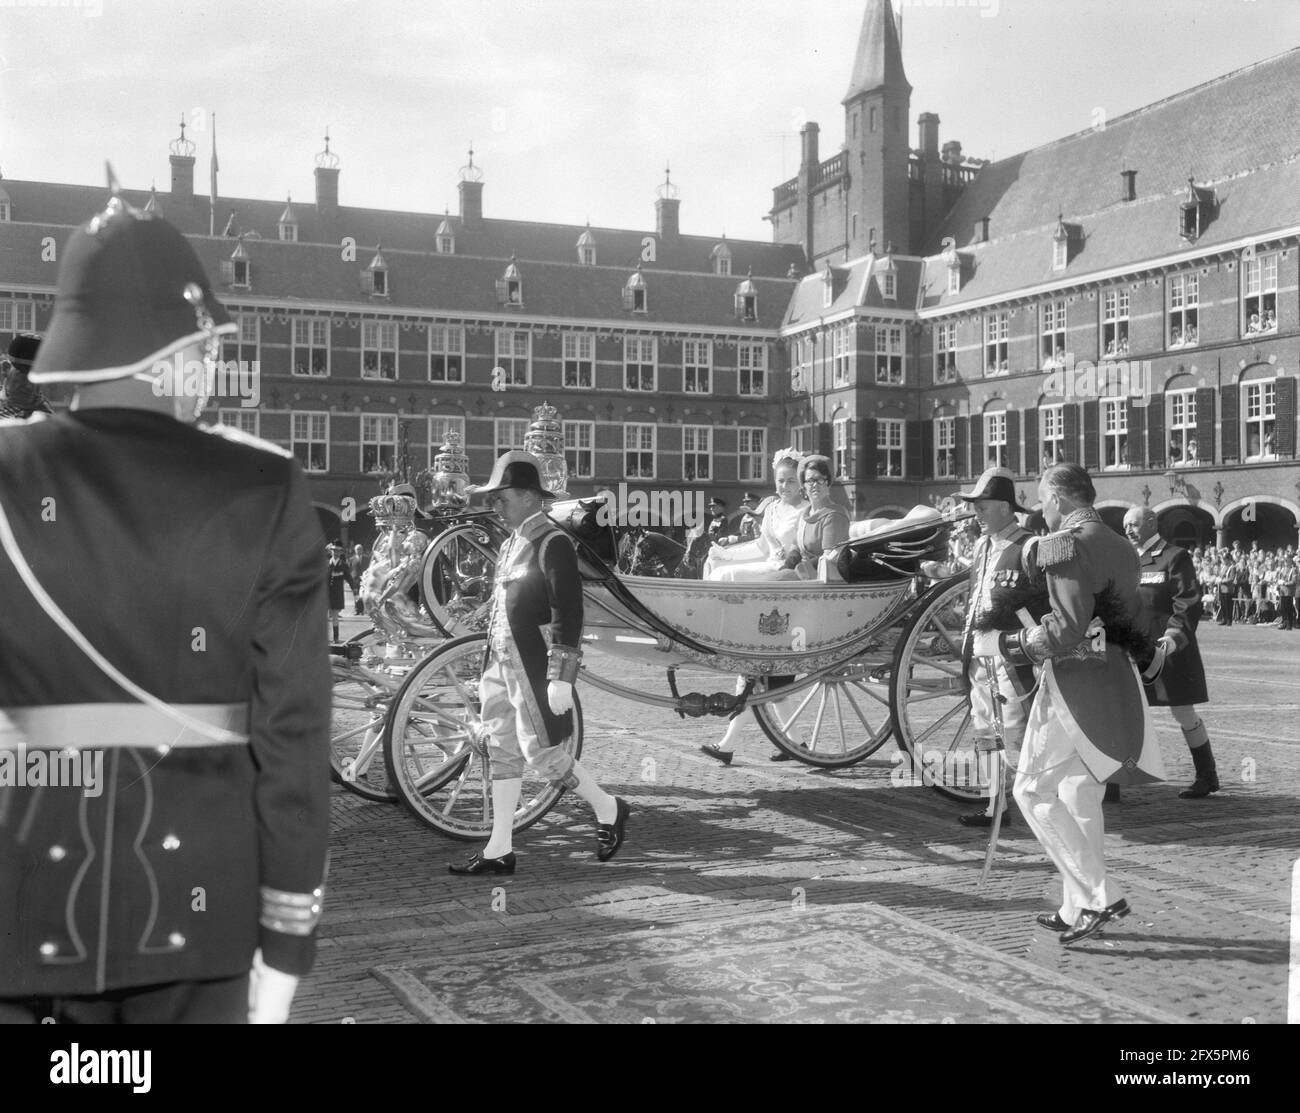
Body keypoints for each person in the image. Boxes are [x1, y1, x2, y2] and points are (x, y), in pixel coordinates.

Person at [0, 194, 329, 1023]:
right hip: (198, 911)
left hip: (20, 897)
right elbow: (293, 740)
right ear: (179, 349)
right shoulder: (264, 484)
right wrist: (287, 941)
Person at [974, 464, 1164, 946]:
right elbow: (1130, 619)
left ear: (1058, 499)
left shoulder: (1061, 544)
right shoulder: (1123, 544)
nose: (1041, 510)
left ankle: (1101, 895)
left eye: (1043, 500)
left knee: (1031, 792)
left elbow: (1068, 627)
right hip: (1114, 679)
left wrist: (1007, 643)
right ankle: (1075, 906)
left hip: (1073, 685)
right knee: (1080, 794)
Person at [448, 450, 629, 875]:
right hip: (500, 659)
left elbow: (569, 610)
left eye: (503, 496)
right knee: (502, 749)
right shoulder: (514, 541)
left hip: (532, 661)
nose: (497, 504)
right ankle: (499, 848)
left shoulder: (553, 541)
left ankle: (608, 808)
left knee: (540, 752)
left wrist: (561, 675)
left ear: (530, 496)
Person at [953, 467, 1049, 828]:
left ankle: (1036, 802)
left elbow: (1047, 607)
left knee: (1019, 732)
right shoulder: (981, 547)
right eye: (975, 506)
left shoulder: (1030, 547)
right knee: (984, 731)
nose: (976, 513)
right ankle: (996, 804)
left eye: (983, 506)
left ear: (1007, 508)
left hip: (1013, 657)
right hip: (980, 656)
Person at [1123, 508, 1219, 799]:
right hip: (1132, 648)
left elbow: (1187, 601)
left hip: (1168, 648)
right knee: (1124, 708)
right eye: (1125, 525)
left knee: (1183, 712)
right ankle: (1114, 780)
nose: (1128, 530)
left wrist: (1173, 637)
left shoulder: (1175, 556)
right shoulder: (1127, 559)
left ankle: (1207, 774)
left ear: (1152, 524)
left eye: (1134, 524)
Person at [703, 448, 805, 582]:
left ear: (800, 482)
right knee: (716, 565)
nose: (785, 486)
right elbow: (761, 548)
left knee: (725, 575)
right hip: (770, 563)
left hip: (788, 570)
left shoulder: (806, 510)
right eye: (780, 481)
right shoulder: (772, 509)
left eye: (791, 481)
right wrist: (726, 554)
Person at [774, 455, 850, 579]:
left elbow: (829, 558)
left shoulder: (834, 515)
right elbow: (796, 547)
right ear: (803, 485)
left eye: (820, 479)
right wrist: (787, 567)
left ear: (828, 482)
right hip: (804, 575)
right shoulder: (805, 514)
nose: (815, 485)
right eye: (810, 481)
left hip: (824, 579)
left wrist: (795, 572)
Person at [0, 334, 54, 420]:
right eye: (22, 377)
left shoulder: (44, 420)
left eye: (34, 379)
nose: (29, 386)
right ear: (6, 368)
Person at [326, 541, 355, 642]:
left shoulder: (343, 565)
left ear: (341, 552)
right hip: (325, 594)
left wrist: (355, 592)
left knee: (334, 617)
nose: (336, 553)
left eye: (338, 551)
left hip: (336, 594)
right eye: (334, 551)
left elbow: (350, 579)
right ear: (331, 551)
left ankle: (336, 638)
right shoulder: (326, 563)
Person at [349, 543, 369, 615]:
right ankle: (357, 610)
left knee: (363, 595)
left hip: (364, 579)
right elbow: (349, 569)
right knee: (356, 595)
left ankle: (363, 610)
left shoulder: (367, 558)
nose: (359, 550)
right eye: (357, 549)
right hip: (355, 580)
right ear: (355, 550)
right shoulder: (351, 559)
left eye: (360, 549)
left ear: (362, 550)